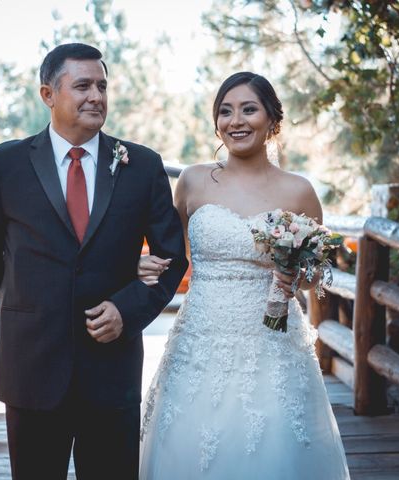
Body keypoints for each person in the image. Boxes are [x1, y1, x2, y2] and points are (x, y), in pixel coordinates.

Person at [0, 43, 187, 480]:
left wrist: (128, 308)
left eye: (102, 85)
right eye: (82, 85)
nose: (96, 96)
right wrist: (27, 293)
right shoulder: (5, 164)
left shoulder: (141, 165)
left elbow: (170, 258)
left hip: (111, 368)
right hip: (31, 366)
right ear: (48, 94)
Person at [138, 72, 350, 479]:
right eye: (225, 111)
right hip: (199, 338)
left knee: (272, 445)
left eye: (249, 109)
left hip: (271, 341)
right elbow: (171, 254)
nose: (236, 120)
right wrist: (136, 265)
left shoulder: (299, 190)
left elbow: (314, 273)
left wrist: (293, 276)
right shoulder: (192, 181)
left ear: (272, 119)